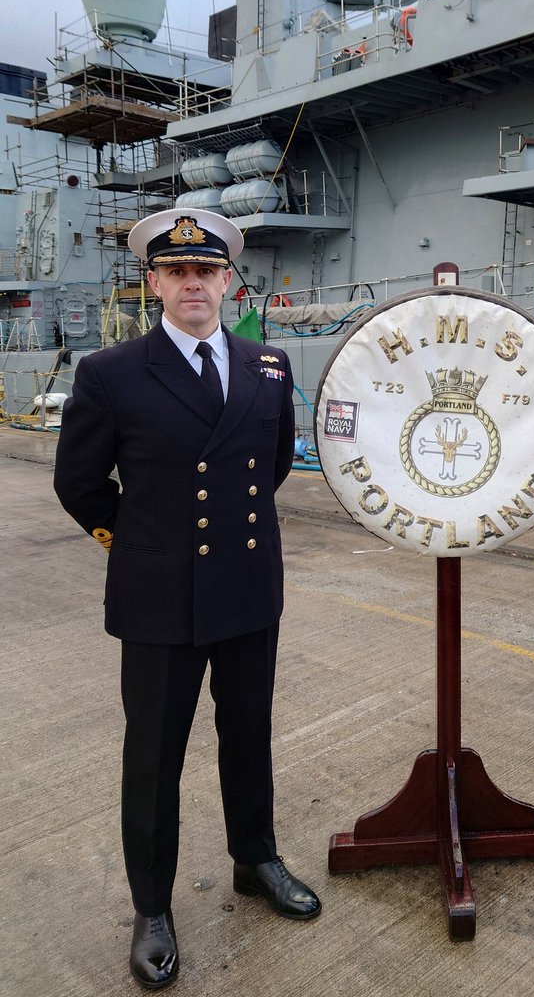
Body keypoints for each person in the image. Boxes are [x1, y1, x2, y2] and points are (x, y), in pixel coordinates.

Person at [54, 208, 321, 990]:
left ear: (227, 279)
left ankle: (256, 860)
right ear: (154, 283)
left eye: (206, 271)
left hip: (245, 587)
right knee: (154, 758)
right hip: (159, 598)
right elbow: (79, 483)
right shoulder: (111, 374)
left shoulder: (267, 364)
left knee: (250, 738)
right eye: (176, 272)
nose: (193, 283)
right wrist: (139, 540)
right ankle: (152, 909)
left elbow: (270, 467)